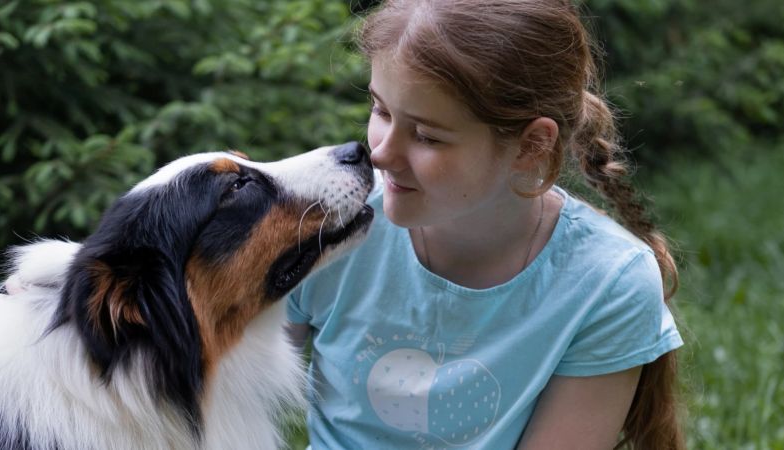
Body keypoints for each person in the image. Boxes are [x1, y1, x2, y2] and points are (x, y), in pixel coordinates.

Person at [285, 0, 685, 449]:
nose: (379, 154)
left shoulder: (607, 283)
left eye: (426, 136)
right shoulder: (325, 224)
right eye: (381, 111)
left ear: (531, 145)